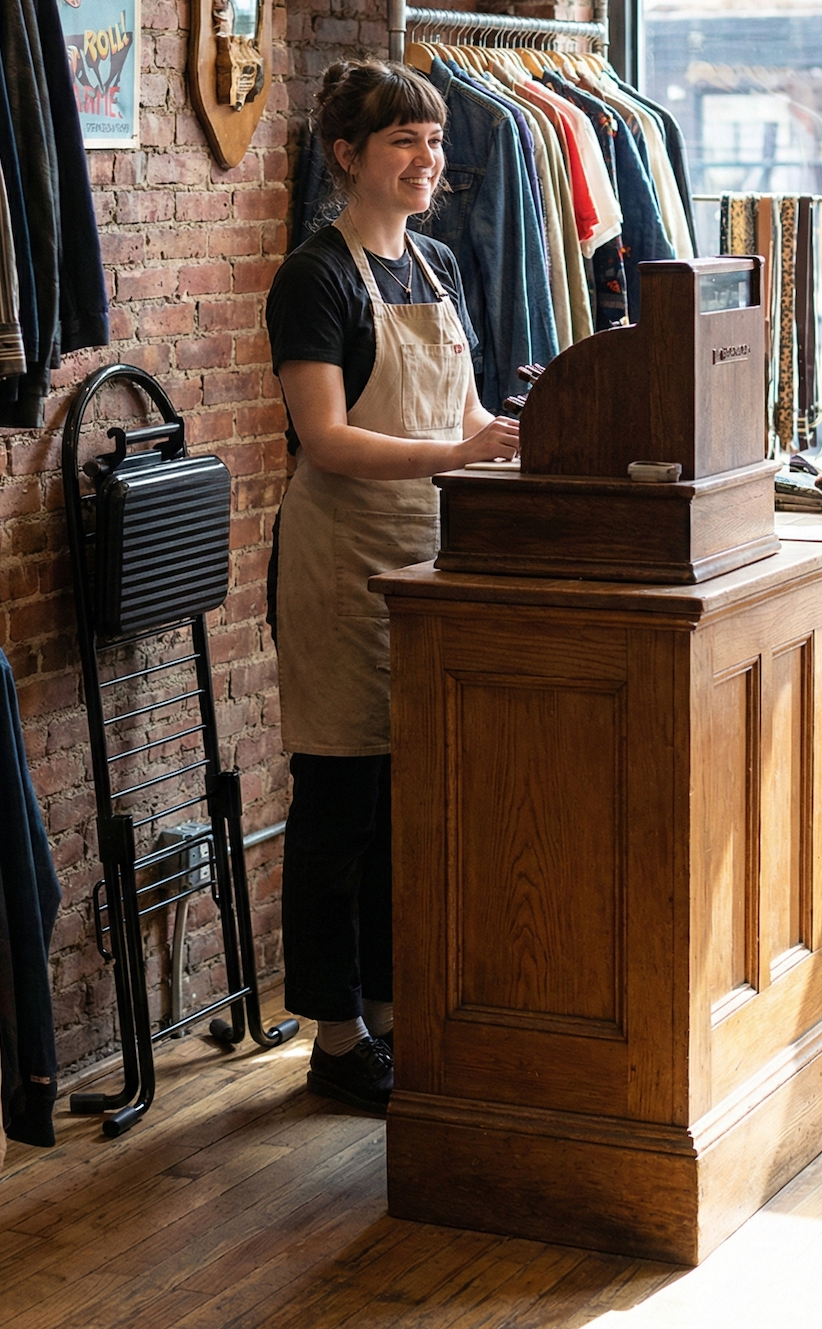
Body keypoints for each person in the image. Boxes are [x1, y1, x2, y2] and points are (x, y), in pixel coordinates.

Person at [266, 59, 520, 1113]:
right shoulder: (314, 278)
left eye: (434, 138)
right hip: (342, 565)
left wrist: (511, 443)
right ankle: (334, 1038)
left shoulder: (438, 265)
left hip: (430, 562)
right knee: (340, 807)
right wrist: (457, 456)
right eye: (404, 140)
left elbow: (460, 417)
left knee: (408, 805)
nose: (428, 158)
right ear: (347, 154)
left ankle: (390, 1012)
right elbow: (325, 438)